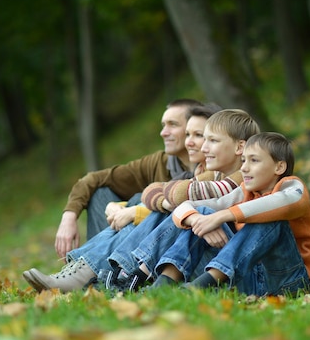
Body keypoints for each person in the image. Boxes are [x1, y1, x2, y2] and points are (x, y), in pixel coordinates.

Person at [23, 105, 218, 292]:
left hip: (194, 258)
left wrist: (138, 210)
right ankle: (89, 271)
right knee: (120, 200)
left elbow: (174, 196)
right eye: (189, 134)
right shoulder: (166, 164)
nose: (164, 132)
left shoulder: (217, 175)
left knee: (150, 209)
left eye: (174, 125)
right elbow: (149, 191)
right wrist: (79, 214)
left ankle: (92, 273)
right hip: (168, 249)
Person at [137, 132, 310, 296]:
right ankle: (165, 283)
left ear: (279, 167)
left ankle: (203, 285)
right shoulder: (244, 193)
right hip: (249, 280)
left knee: (271, 217)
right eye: (243, 161)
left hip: (291, 282)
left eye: (254, 160)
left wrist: (222, 216)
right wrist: (198, 220)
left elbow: (280, 203)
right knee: (201, 212)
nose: (244, 168)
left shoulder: (293, 188)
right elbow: (184, 206)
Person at [105, 109, 261, 292]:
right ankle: (132, 274)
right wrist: (188, 213)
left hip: (242, 268)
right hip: (218, 258)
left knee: (193, 211)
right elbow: (153, 191)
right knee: (178, 210)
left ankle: (135, 274)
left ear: (239, 147)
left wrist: (191, 212)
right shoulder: (215, 175)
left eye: (212, 140)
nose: (204, 148)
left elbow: (179, 195)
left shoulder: (244, 180)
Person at [54, 98, 203, 261]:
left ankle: (89, 265)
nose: (163, 132)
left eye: (172, 124)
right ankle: (95, 266)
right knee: (100, 193)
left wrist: (133, 210)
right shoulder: (158, 162)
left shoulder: (213, 166)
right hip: (138, 243)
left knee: (140, 199)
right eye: (163, 125)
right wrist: (68, 218)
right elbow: (93, 179)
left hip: (177, 251)